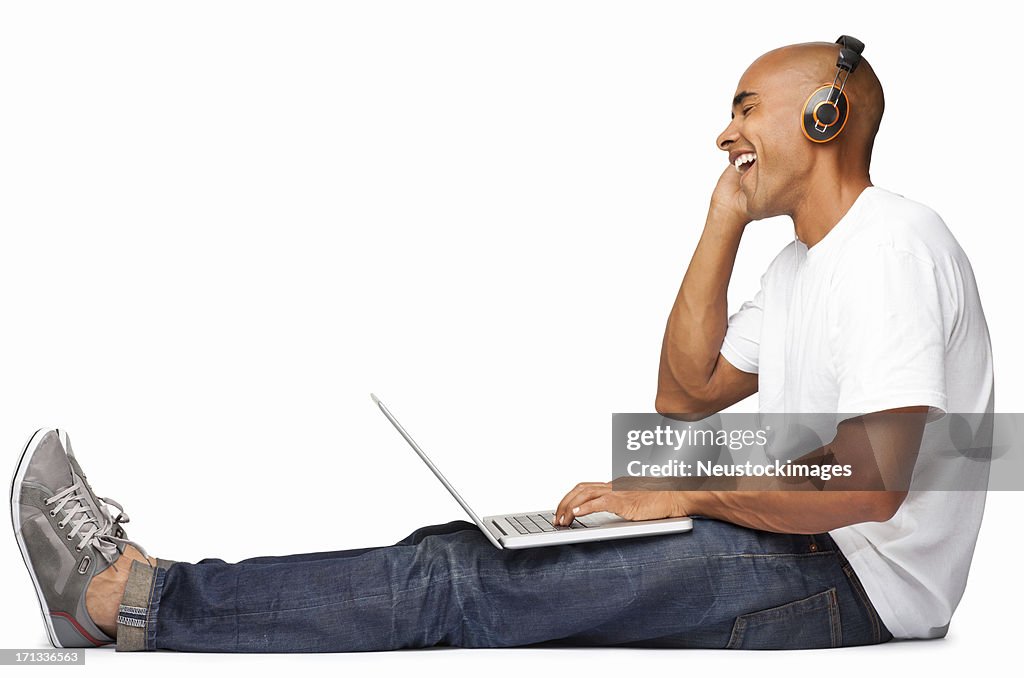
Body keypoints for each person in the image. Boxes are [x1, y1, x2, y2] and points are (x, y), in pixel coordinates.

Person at [12, 38, 992, 652]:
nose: (720, 132)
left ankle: (127, 598)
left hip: (852, 584)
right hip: (800, 547)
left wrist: (679, 492)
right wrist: (723, 219)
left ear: (823, 120)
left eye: (743, 108)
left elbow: (870, 488)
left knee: (455, 584)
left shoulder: (891, 247)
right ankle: (141, 595)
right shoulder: (799, 269)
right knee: (459, 553)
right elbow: (685, 397)